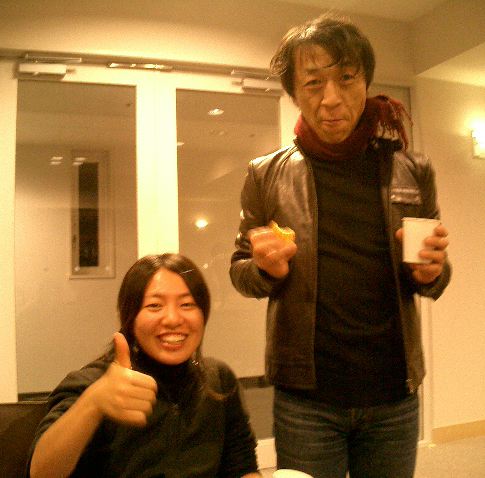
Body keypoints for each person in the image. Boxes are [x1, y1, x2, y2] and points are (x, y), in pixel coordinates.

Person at [230, 12, 451, 478]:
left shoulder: (411, 169)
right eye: (313, 83)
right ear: (295, 94)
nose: (331, 98)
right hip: (307, 400)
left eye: (346, 78)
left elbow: (432, 273)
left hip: (393, 393)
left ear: (365, 81)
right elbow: (240, 270)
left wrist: (434, 272)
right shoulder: (266, 174)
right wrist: (265, 269)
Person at [28, 253, 261, 478]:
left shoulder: (218, 380)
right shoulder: (93, 383)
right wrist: (93, 403)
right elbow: (41, 472)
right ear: (130, 317)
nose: (173, 319)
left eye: (187, 304)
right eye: (155, 306)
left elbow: (242, 468)